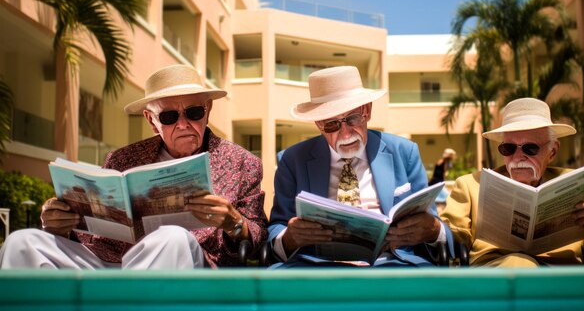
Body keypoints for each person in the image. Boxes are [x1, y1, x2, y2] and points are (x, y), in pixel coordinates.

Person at [0, 64, 267, 269]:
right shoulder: (121, 159)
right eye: (169, 116)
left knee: (172, 237)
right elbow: (88, 230)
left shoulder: (243, 163)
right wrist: (61, 224)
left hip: (182, 264)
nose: (184, 124)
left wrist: (234, 222)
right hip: (105, 263)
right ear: (152, 121)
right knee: (22, 242)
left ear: (207, 110)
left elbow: (257, 239)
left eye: (194, 112)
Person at [269, 66, 453, 267]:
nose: (346, 134)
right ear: (318, 124)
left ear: (367, 111)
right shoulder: (292, 159)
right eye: (331, 124)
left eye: (353, 119)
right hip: (318, 267)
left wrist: (434, 230)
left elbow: (434, 227)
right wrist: (289, 238)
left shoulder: (404, 152)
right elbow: (275, 231)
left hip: (392, 265)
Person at [441, 97, 584, 267]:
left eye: (530, 148)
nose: (518, 156)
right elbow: (448, 236)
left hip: (561, 277)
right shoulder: (471, 185)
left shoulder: (583, 186)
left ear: (552, 152)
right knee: (519, 263)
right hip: (495, 274)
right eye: (509, 148)